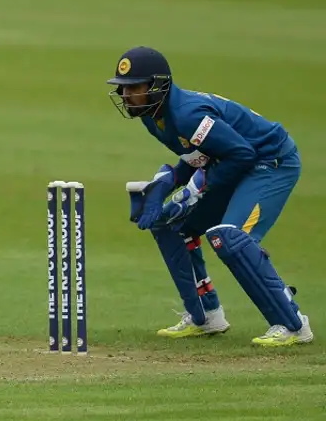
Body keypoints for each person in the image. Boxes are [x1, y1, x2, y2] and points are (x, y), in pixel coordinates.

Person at [108, 46, 313, 347]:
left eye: (133, 88)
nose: (126, 97)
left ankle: (293, 324)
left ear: (157, 86)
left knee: (229, 237)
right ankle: (205, 315)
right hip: (236, 163)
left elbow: (242, 154)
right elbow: (199, 156)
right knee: (170, 225)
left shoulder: (187, 114)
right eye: (123, 89)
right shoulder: (152, 116)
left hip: (270, 162)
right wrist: (165, 184)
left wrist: (193, 191)